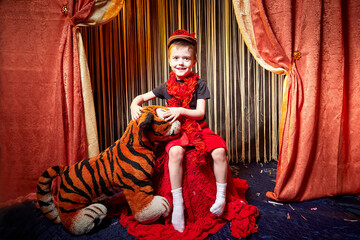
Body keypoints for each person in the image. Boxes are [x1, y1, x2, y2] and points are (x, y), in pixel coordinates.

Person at [130, 29, 229, 233]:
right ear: (169, 61)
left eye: (186, 58)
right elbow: (141, 97)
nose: (180, 63)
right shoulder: (166, 86)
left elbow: (200, 113)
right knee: (175, 152)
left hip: (199, 128)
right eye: (176, 58)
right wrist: (134, 103)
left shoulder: (200, 84)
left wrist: (180, 110)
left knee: (219, 151)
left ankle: (221, 197)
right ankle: (178, 204)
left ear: (193, 62)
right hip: (176, 131)